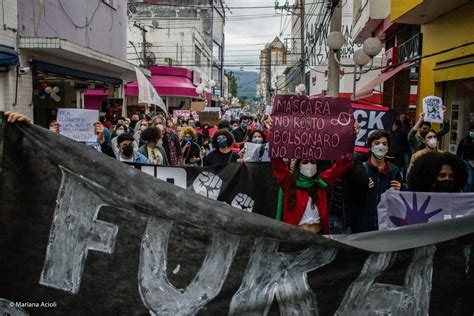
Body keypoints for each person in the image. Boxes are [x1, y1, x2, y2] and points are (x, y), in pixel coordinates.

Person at [351, 130, 403, 233]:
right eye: (376, 143)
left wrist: (401, 190)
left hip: (386, 228)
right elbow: (351, 197)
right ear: (370, 147)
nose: (381, 146)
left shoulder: (394, 170)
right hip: (362, 228)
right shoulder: (361, 169)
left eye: (384, 144)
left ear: (388, 148)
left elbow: (400, 203)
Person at [457, 125, 474, 192]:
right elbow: (458, 153)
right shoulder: (464, 141)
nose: (473, 132)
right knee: (469, 182)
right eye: (471, 130)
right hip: (467, 163)